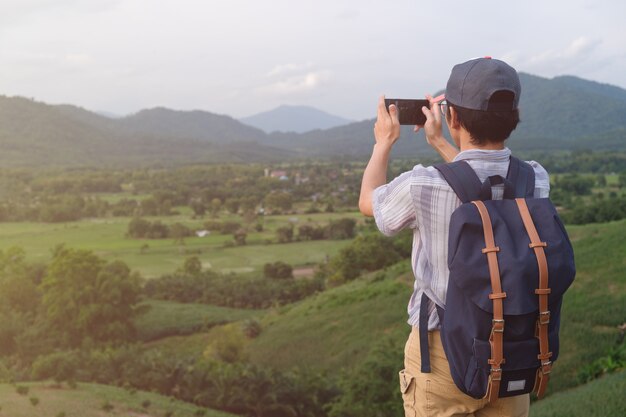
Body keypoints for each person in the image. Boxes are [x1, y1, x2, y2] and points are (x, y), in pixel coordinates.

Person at [358, 57, 550, 417]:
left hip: (441, 356)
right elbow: (486, 190)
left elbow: (370, 202)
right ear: (513, 118)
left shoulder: (424, 184)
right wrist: (443, 144)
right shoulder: (536, 180)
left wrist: (383, 142)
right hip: (511, 352)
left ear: (453, 118)